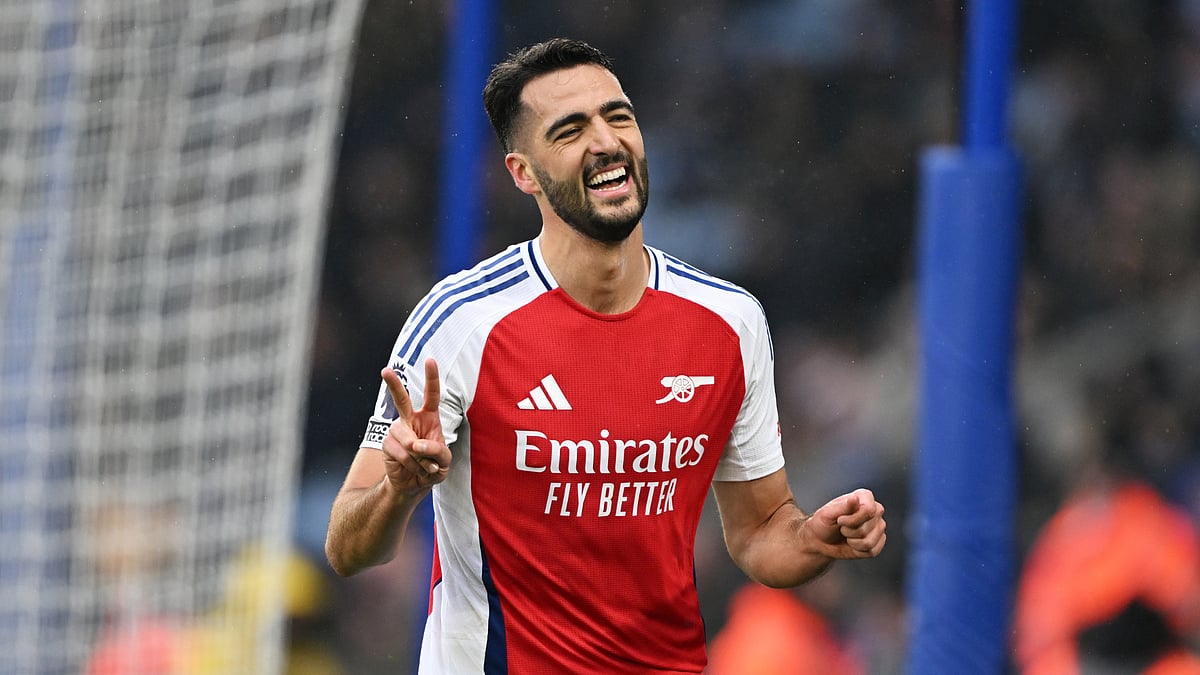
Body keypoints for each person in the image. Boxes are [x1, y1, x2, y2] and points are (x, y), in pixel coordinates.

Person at [324, 37, 887, 674]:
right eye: (570, 130)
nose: (605, 141)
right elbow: (348, 546)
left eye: (617, 117)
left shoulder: (731, 322)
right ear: (523, 173)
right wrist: (397, 489)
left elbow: (760, 532)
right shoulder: (460, 322)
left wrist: (813, 541)